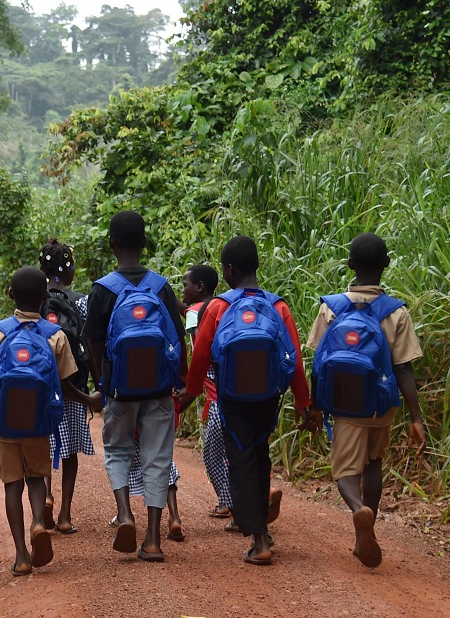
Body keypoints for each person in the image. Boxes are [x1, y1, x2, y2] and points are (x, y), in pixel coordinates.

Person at [182, 236, 312, 565]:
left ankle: (260, 539)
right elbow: (294, 358)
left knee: (240, 462)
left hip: (232, 399)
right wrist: (302, 403)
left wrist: (190, 392)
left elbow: (200, 357)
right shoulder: (277, 306)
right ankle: (262, 530)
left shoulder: (219, 308)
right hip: (268, 397)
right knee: (260, 455)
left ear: (228, 270)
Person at [0, 266, 102, 576]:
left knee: (12, 486)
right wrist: (89, 399)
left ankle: (21, 555)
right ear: (44, 297)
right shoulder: (55, 335)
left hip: (4, 425)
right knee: (37, 478)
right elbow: (66, 385)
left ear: (11, 294)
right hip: (38, 424)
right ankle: (39, 522)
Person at [305, 232, 425, 568]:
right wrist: (416, 418)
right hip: (380, 406)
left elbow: (318, 364)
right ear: (386, 263)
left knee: (344, 471)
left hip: (344, 407)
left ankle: (359, 511)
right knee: (373, 464)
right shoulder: (396, 313)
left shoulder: (331, 307)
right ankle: (365, 531)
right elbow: (404, 370)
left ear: (350, 265)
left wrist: (315, 405)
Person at [81, 211, 187, 562]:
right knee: (158, 458)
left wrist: (103, 383)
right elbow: (177, 339)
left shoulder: (102, 290)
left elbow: (93, 343)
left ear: (111, 244)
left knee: (117, 450)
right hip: (158, 389)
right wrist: (180, 382)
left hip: (119, 390)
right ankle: (154, 539)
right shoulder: (161, 286)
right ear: (144, 243)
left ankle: (125, 513)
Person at [37, 239, 96, 534]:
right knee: (69, 451)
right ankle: (65, 515)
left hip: (40, 389)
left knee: (46, 447)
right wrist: (96, 388)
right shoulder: (81, 302)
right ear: (69, 269)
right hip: (72, 385)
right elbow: (87, 344)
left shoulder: (34, 301)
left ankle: (46, 495)